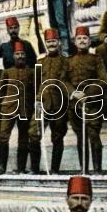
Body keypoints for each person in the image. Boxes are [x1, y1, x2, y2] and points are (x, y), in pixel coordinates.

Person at [0, 41, 40, 175]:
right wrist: (1, 105)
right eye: (17, 54)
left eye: (22, 54)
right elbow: (0, 92)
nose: (20, 56)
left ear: (25, 56)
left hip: (25, 109)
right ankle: (1, 167)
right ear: (13, 56)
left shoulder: (32, 72)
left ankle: (21, 168)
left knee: (23, 138)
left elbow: (36, 90)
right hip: (8, 109)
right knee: (3, 136)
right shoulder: (7, 72)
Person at [67, 26, 107, 173]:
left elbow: (103, 80)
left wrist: (87, 95)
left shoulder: (96, 59)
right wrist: (73, 93)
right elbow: (63, 80)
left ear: (89, 41)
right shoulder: (68, 61)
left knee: (93, 135)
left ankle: (97, 170)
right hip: (74, 105)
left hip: (93, 104)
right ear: (75, 42)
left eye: (85, 38)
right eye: (79, 38)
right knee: (80, 137)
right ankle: (83, 169)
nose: (82, 41)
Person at [33, 28, 72, 173]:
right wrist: (37, 100)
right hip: (41, 103)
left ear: (59, 42)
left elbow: (67, 81)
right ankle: (34, 169)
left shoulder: (66, 61)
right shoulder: (40, 62)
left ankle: (55, 169)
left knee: (57, 137)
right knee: (34, 134)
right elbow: (36, 84)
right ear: (45, 43)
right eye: (48, 42)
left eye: (54, 41)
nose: (51, 44)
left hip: (59, 104)